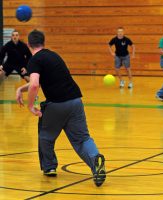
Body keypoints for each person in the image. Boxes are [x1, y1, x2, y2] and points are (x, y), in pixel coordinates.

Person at [16, 30, 106, 187]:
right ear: (43, 42)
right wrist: (20, 90)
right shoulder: (54, 56)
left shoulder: (34, 60)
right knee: (82, 139)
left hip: (57, 105)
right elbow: (39, 82)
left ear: (29, 44)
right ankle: (95, 159)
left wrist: (31, 105)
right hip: (75, 101)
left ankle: (49, 167)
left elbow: (35, 84)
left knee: (45, 136)